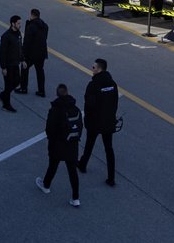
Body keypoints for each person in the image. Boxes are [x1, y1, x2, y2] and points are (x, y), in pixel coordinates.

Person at [35, 84, 83, 207]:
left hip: (57, 143)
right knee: (72, 171)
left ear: (57, 94)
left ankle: (46, 185)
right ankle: (75, 198)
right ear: (67, 92)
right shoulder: (76, 109)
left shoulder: (55, 110)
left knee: (53, 165)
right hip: (72, 144)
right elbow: (80, 126)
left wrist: (51, 139)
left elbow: (49, 129)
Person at [79, 59, 119, 187]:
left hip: (95, 122)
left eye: (94, 67)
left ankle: (83, 165)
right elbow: (115, 103)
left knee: (89, 144)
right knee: (109, 149)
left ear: (99, 69)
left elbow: (89, 105)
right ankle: (111, 177)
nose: (92, 69)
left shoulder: (93, 85)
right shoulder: (113, 84)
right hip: (108, 121)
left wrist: (87, 121)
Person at [19, 8, 49, 96]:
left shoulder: (31, 26)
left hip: (32, 53)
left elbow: (27, 42)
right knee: (40, 71)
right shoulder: (45, 26)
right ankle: (41, 90)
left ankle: (23, 88)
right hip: (42, 53)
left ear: (32, 15)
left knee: (24, 68)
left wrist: (23, 55)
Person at [0, 15, 23, 112]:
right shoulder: (6, 36)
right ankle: (6, 105)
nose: (20, 25)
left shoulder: (18, 34)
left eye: (20, 23)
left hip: (15, 63)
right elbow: (2, 53)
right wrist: (3, 67)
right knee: (8, 85)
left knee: (17, 81)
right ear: (13, 24)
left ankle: (3, 95)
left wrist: (22, 60)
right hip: (8, 65)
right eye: (18, 23)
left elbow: (20, 47)